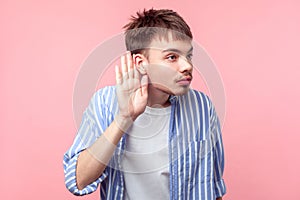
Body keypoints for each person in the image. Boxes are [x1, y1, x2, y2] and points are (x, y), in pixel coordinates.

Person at [63, 8, 226, 200]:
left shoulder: (202, 107)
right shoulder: (105, 103)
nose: (187, 66)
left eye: (188, 56)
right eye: (172, 57)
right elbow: (78, 180)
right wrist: (124, 118)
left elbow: (213, 188)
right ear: (141, 62)